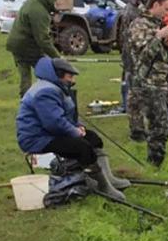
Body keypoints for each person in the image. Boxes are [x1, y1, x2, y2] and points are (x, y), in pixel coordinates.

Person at [16, 56, 128, 201]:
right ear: (58, 75)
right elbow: (54, 123)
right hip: (36, 139)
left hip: (47, 133)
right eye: (70, 76)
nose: (72, 80)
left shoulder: (53, 87)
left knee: (92, 138)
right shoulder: (45, 92)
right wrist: (74, 132)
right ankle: (102, 186)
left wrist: (78, 127)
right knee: (82, 147)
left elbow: (65, 117)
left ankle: (108, 178)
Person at [128, 0, 168, 167]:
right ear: (155, 5)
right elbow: (144, 56)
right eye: (165, 9)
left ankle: (156, 162)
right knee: (160, 127)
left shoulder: (158, 25)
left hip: (164, 83)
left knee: (165, 126)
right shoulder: (139, 25)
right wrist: (158, 37)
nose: (166, 13)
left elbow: (166, 56)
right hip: (149, 84)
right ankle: (154, 165)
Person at [6, 0, 63, 98]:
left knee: (25, 76)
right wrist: (57, 58)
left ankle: (25, 103)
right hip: (27, 46)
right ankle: (48, 98)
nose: (57, 2)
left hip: (15, 44)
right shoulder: (40, 13)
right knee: (47, 71)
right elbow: (43, 40)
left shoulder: (31, 2)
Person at [119, 0, 156, 135]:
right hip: (134, 57)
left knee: (133, 89)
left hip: (129, 55)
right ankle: (138, 130)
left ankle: (138, 127)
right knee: (136, 93)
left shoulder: (130, 8)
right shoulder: (134, 12)